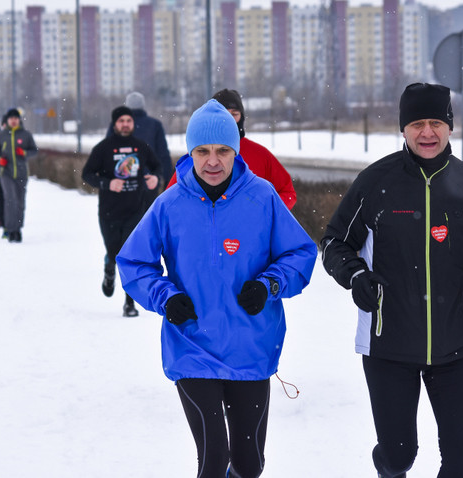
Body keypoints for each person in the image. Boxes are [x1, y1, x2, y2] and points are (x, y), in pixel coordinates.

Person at [320, 82, 463, 478]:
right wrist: (355, 276)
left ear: (450, 127)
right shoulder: (375, 184)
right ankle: (389, 463)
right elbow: (335, 242)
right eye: (417, 123)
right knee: (399, 456)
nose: (427, 132)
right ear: (403, 129)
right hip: (388, 346)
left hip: (455, 345)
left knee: (459, 464)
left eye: (436, 122)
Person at [116, 99, 317, 476]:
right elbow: (133, 262)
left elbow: (301, 253)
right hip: (191, 345)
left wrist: (269, 284)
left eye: (223, 151)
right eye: (203, 151)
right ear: (190, 152)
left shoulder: (262, 196)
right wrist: (166, 296)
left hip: (251, 348)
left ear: (235, 150)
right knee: (213, 459)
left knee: (248, 465)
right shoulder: (170, 203)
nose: (212, 161)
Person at [82, 106, 161, 317]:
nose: (125, 124)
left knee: (129, 257)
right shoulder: (103, 148)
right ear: (114, 124)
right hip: (109, 211)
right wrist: (107, 184)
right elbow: (87, 174)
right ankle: (109, 270)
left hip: (135, 210)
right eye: (121, 121)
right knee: (114, 252)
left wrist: (155, 178)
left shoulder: (141, 147)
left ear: (133, 123)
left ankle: (129, 303)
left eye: (128, 120)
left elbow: (157, 167)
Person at [166, 89, 297, 210]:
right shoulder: (194, 160)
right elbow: (169, 203)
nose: (229, 120)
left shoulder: (260, 154)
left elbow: (287, 193)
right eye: (224, 113)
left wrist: (265, 211)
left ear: (242, 116)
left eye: (234, 114)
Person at [107, 91, 172, 197]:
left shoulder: (117, 125)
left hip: (123, 183)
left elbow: (107, 153)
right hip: (148, 182)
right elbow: (163, 154)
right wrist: (167, 179)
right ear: (143, 106)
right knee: (147, 212)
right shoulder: (155, 125)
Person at [0, 108, 38, 243]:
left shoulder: (26, 135)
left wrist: (24, 153)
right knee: (10, 200)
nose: (13, 120)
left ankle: (18, 229)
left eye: (16, 118)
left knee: (20, 202)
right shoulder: (1, 135)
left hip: (22, 173)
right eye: (11, 119)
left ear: (19, 120)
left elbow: (34, 150)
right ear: (7, 120)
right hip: (6, 173)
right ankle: (10, 230)